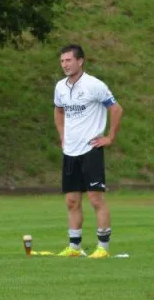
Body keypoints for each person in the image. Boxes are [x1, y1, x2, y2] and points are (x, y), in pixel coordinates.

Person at [53, 44, 123, 259]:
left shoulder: (94, 85)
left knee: (95, 199)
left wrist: (110, 137)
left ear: (80, 61)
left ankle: (103, 247)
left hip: (91, 150)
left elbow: (116, 109)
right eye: (62, 61)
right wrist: (62, 134)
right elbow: (58, 110)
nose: (65, 64)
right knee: (71, 201)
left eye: (69, 60)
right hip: (70, 151)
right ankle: (75, 247)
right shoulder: (60, 87)